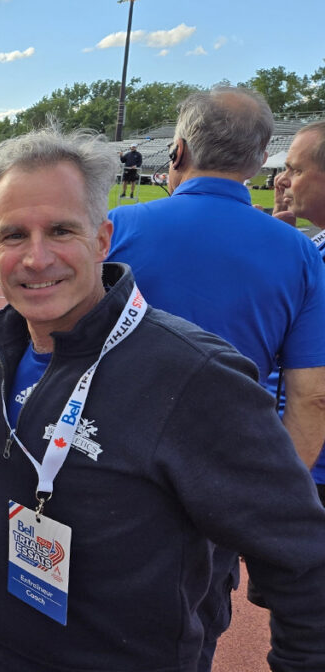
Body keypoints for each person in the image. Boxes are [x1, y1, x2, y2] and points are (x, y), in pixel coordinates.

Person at [0, 125, 325, 672]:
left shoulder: (195, 376)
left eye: (61, 231)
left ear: (102, 239)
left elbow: (304, 560)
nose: (37, 257)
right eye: (15, 234)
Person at [106, 88, 325, 669]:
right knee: (192, 629)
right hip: (221, 481)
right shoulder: (301, 255)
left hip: (108, 463)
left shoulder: (117, 226)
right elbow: (312, 396)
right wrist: (274, 492)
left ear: (175, 151)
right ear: (258, 163)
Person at [264, 119, 325, 504]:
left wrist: (286, 482)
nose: (282, 180)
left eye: (295, 169)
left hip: (309, 463)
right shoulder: (314, 244)